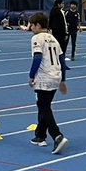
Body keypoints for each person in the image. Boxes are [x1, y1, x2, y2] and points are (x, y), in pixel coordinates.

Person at [27, 10, 69, 154]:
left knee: (44, 107)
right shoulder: (54, 39)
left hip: (44, 77)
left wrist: (31, 75)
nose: (31, 28)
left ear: (38, 25)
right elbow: (62, 60)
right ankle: (40, 135)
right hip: (55, 75)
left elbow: (37, 57)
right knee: (44, 105)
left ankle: (57, 135)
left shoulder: (37, 38)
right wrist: (63, 79)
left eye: (32, 25)